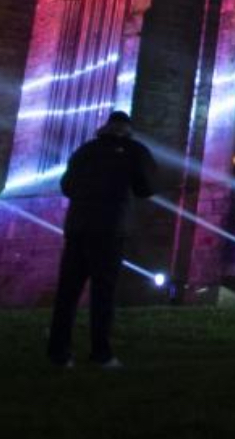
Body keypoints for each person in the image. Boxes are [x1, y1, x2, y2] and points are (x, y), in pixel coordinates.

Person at [46, 111, 155, 369]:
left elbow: (66, 186)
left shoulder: (85, 150)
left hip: (78, 228)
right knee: (103, 293)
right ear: (128, 130)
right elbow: (146, 188)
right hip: (109, 230)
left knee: (67, 292)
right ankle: (101, 354)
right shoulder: (134, 150)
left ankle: (59, 353)